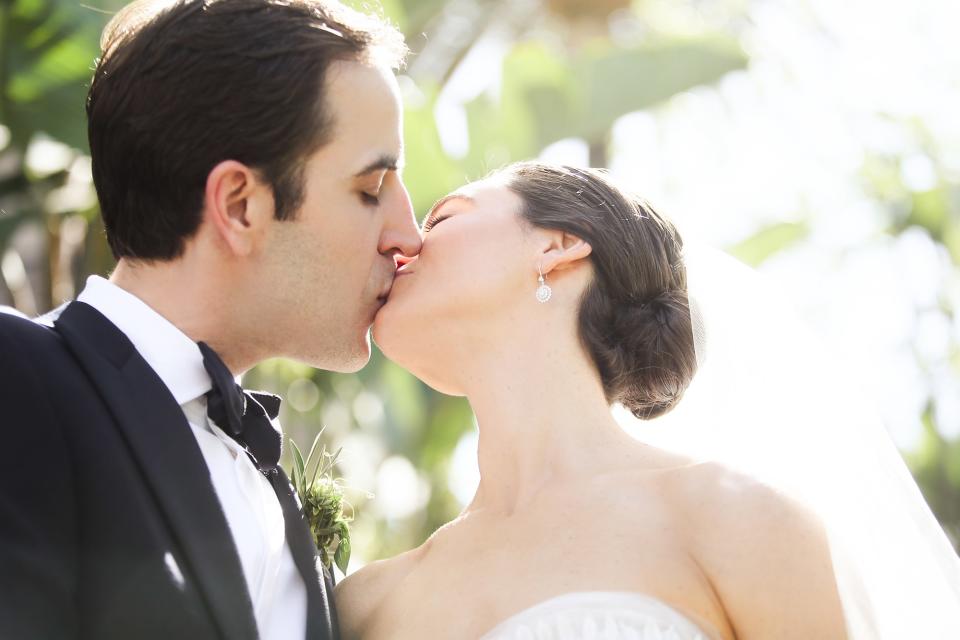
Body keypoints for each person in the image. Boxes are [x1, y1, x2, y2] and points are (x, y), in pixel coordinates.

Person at [337, 162, 960, 638]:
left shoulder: (730, 515)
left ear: (555, 246)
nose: (403, 246)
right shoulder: (365, 603)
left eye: (442, 219)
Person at [0, 1, 419, 639]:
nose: (407, 236)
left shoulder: (268, 484)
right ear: (239, 204)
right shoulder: (15, 378)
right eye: (370, 189)